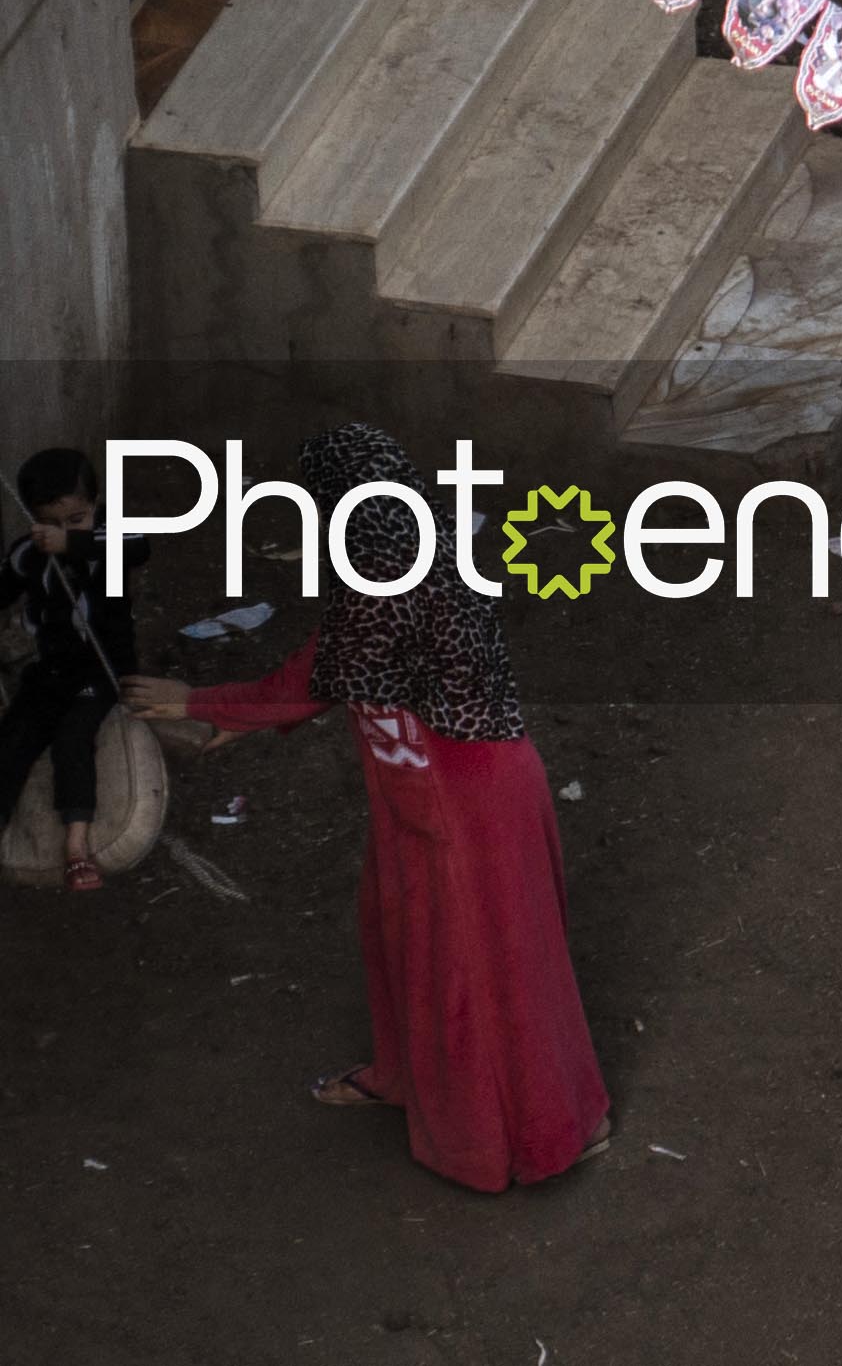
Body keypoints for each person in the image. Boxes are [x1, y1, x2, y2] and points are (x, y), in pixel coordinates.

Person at [133, 427, 609, 1187]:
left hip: (462, 800)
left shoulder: (392, 573)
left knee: (477, 968)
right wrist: (231, 715)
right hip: (430, 788)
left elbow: (320, 670)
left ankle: (525, 1134)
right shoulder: (409, 546)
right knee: (411, 941)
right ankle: (424, 1083)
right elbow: (334, 656)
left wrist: (204, 702)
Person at [9, 446, 137, 883]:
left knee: (73, 738)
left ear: (95, 507)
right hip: (50, 670)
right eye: (50, 523)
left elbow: (139, 547)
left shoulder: (111, 539)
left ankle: (77, 844)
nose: (61, 532)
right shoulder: (28, 553)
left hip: (101, 671)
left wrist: (73, 542)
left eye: (76, 519)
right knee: (13, 740)